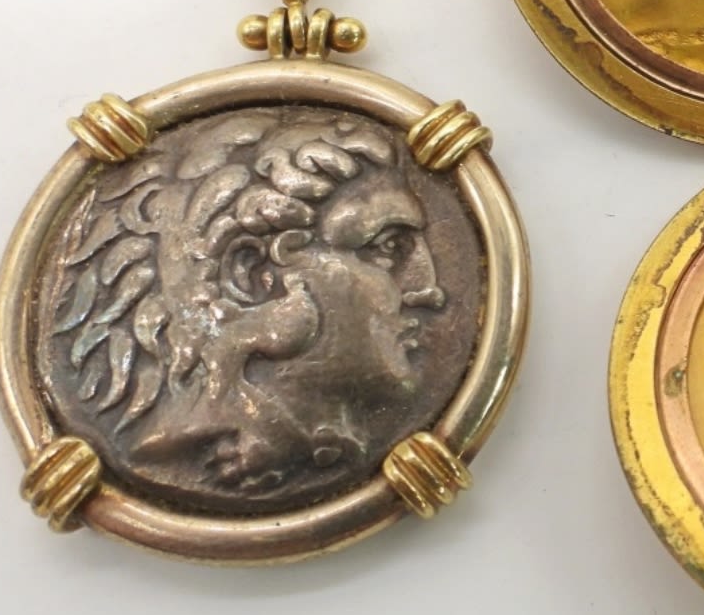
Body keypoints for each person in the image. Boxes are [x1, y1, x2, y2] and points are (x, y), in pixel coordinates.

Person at [41, 107, 448, 509]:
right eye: (386, 247)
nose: (428, 289)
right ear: (251, 277)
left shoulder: (334, 444)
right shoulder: (164, 455)